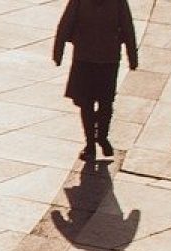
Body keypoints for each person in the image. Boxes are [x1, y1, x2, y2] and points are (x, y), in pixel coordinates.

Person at [53, 0, 139, 160]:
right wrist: (132, 57)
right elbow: (128, 28)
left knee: (90, 103)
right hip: (101, 58)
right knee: (101, 102)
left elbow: (65, 23)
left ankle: (93, 142)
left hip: (90, 58)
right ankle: (98, 139)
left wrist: (58, 52)